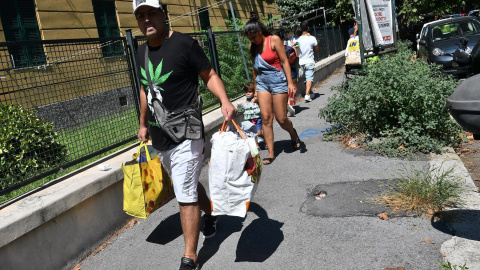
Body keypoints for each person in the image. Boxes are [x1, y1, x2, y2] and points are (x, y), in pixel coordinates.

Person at [132, 1, 236, 269]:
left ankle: (189, 256)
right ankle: (211, 212)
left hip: (188, 132)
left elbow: (209, 73)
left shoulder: (184, 44)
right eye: (141, 16)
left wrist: (225, 100)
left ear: (163, 15)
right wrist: (143, 123)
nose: (147, 20)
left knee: (184, 191)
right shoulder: (141, 52)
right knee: (185, 184)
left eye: (151, 13)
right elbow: (145, 89)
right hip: (161, 137)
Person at [244, 13, 302, 165]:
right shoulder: (252, 47)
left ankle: (293, 134)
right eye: (249, 38)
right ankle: (271, 152)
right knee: (266, 118)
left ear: (260, 32)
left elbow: (285, 61)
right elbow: (254, 69)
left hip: (278, 81)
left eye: (254, 37)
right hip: (262, 82)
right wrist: (256, 89)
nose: (252, 40)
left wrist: (290, 83)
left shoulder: (273, 40)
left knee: (281, 118)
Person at [294, 21, 319, 102]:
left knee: (305, 78)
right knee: (309, 78)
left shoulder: (296, 39)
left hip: (300, 62)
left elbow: (293, 46)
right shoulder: (312, 38)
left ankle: (310, 92)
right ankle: (307, 94)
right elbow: (316, 50)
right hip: (309, 61)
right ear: (308, 28)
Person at [275, 28, 297, 117]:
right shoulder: (289, 49)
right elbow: (294, 59)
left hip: (279, 72)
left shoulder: (274, 50)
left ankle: (287, 105)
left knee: (284, 89)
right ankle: (289, 104)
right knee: (293, 88)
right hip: (291, 70)